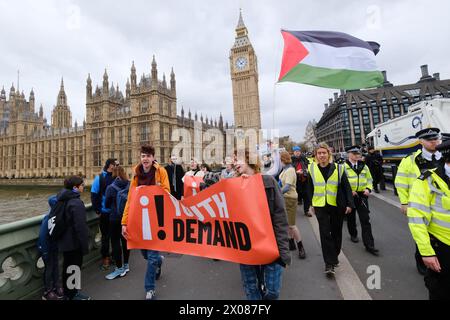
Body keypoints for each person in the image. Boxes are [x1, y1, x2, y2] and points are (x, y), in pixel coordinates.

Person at [234, 150, 291, 300]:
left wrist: (283, 251)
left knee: (272, 291)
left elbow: (280, 218)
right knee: (251, 288)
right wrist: (241, 186)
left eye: (238, 159)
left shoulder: (269, 182)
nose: (235, 163)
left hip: (270, 245)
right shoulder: (234, 185)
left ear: (249, 160)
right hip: (246, 246)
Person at [121, 145, 170, 300]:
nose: (145, 159)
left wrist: (156, 189)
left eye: (148, 156)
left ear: (153, 157)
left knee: (152, 256)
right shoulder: (136, 175)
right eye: (143, 156)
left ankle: (150, 289)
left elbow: (167, 193)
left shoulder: (160, 172)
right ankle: (159, 261)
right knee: (145, 253)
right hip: (140, 220)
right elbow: (130, 200)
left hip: (156, 219)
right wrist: (124, 222)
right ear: (140, 158)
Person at [395, 127, 445, 275]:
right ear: (421, 142)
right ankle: (422, 260)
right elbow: (401, 182)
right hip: (419, 205)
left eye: (435, 139)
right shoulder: (410, 160)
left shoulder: (445, 157)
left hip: (442, 207)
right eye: (429, 140)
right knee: (422, 234)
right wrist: (404, 202)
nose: (433, 142)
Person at [407, 139, 450, 300]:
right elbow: (417, 219)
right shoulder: (426, 181)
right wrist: (426, 252)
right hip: (443, 248)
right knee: (440, 291)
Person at [307, 143, 354, 277]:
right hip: (320, 205)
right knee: (325, 233)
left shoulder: (339, 168)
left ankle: (335, 254)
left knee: (336, 233)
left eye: (324, 153)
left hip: (336, 205)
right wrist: (310, 205)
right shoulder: (312, 169)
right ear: (315, 156)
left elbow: (347, 188)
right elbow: (309, 188)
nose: (321, 155)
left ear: (329, 154)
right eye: (319, 153)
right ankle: (329, 263)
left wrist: (350, 204)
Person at [57, 176, 91, 300]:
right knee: (74, 267)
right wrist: (84, 245)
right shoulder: (76, 203)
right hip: (73, 241)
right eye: (82, 185)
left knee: (67, 267)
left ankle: (67, 292)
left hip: (64, 239)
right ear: (75, 188)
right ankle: (73, 294)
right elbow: (80, 227)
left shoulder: (62, 197)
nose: (84, 187)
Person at [344, 146, 379, 255]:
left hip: (362, 195)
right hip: (350, 196)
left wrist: (368, 189)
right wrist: (350, 191)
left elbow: (369, 179)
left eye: (358, 153)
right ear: (348, 154)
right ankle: (353, 234)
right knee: (351, 217)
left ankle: (369, 245)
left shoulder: (364, 166)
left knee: (365, 219)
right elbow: (341, 183)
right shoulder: (343, 167)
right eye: (354, 153)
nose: (356, 155)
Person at [104, 166, 130, 280]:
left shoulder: (111, 187)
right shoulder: (130, 185)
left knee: (115, 242)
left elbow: (106, 204)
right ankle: (126, 265)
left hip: (114, 218)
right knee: (125, 241)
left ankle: (119, 268)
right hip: (127, 218)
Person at [91, 158, 117, 270]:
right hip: (105, 213)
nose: (117, 166)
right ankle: (106, 259)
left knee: (115, 237)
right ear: (110, 165)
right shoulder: (100, 178)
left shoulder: (117, 177)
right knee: (106, 237)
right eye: (115, 164)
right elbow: (94, 195)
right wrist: (98, 210)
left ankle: (115, 257)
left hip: (116, 212)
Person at [279, 151, 306, 259]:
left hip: (290, 198)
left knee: (292, 225)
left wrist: (277, 193)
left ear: (283, 159)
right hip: (286, 198)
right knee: (288, 223)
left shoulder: (290, 170)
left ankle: (301, 247)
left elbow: (287, 187)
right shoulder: (285, 169)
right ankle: (291, 243)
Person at [37, 196, 63, 300]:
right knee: (49, 268)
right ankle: (47, 291)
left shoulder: (57, 215)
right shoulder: (48, 217)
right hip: (46, 248)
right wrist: (45, 251)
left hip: (54, 246)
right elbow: (43, 236)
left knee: (55, 267)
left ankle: (57, 286)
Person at [291, 146, 311, 216]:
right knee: (297, 194)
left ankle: (307, 211)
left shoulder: (304, 159)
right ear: (293, 152)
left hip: (305, 179)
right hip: (296, 181)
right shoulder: (291, 160)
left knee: (307, 195)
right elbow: (289, 170)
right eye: (296, 151)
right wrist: (296, 172)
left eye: (298, 151)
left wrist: (307, 170)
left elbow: (309, 166)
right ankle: (296, 204)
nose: (297, 153)